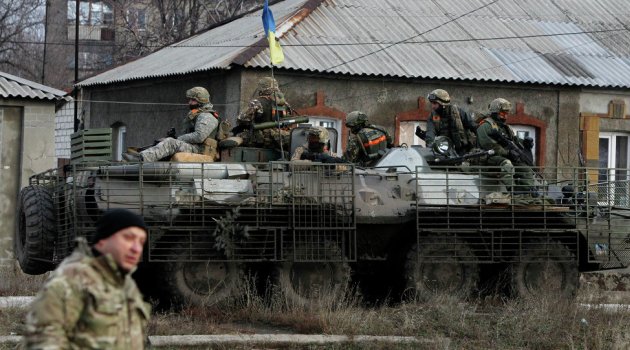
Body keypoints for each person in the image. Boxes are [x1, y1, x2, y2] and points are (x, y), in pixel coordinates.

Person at [23, 209, 151, 349]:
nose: (136, 248)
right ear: (102, 241)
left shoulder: (127, 285)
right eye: (128, 238)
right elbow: (43, 342)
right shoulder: (72, 279)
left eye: (141, 242)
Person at [123, 86, 220, 162]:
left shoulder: (206, 116)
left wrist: (177, 139)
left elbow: (199, 136)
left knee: (170, 143)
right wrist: (174, 137)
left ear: (201, 101)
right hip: (195, 147)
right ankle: (140, 155)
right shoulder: (198, 114)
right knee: (162, 141)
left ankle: (140, 159)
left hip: (201, 150)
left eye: (193, 100)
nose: (189, 102)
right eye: (189, 99)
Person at [476, 98, 536, 196]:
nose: (505, 116)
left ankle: (526, 192)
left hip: (505, 157)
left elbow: (514, 141)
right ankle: (512, 190)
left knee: (525, 169)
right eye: (502, 113)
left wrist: (525, 143)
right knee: (507, 164)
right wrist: (508, 153)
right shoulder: (485, 126)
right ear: (495, 112)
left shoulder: (505, 127)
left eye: (506, 113)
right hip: (488, 157)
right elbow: (488, 146)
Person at [233, 77, 293, 150]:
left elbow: (242, 119)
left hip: (261, 140)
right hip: (280, 140)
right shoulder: (286, 104)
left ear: (261, 87)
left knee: (235, 134)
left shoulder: (257, 102)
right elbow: (289, 123)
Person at [425, 89, 476, 155]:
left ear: (442, 103)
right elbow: (430, 133)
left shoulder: (458, 112)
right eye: (431, 103)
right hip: (444, 151)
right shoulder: (432, 116)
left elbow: (474, 126)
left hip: (464, 150)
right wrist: (431, 147)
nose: (433, 106)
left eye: (435, 103)